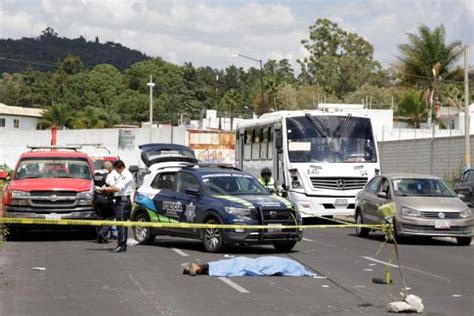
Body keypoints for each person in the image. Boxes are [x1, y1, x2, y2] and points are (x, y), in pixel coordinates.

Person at [101, 160, 134, 253]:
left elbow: (118, 188)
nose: (116, 171)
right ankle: (121, 244)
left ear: (121, 168)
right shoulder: (122, 174)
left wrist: (105, 189)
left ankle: (122, 245)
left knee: (121, 225)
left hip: (123, 201)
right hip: (120, 200)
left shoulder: (126, 175)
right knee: (120, 224)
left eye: (117, 169)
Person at [182, 256, 315, 277]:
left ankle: (199, 267)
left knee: (232, 266)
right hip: (255, 263)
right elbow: (275, 268)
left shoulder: (290, 264)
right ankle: (199, 267)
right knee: (234, 267)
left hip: (254, 262)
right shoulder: (291, 265)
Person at [93, 161, 115, 243]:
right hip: (106, 199)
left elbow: (92, 187)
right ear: (109, 168)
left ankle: (99, 237)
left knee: (100, 218)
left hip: (96, 199)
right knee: (111, 216)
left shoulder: (95, 175)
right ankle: (103, 233)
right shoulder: (109, 176)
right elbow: (112, 186)